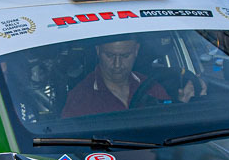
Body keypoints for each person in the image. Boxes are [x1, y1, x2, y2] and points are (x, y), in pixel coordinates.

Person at [63, 38, 199, 116]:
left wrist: (183, 105)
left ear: (136, 51)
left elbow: (170, 126)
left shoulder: (151, 87)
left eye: (125, 56)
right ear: (98, 51)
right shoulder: (80, 98)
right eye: (109, 55)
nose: (117, 64)